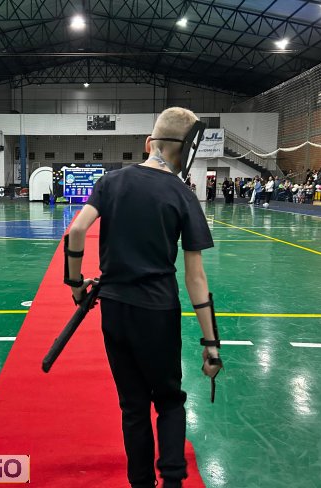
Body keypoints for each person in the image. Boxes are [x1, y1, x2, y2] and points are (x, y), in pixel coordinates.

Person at [65, 107, 222, 488]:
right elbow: (195, 277)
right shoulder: (183, 195)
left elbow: (77, 230)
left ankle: (140, 483)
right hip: (157, 311)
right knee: (168, 401)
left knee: (133, 407)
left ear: (149, 142)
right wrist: (211, 343)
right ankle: (172, 481)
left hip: (115, 310)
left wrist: (75, 284)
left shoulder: (111, 182)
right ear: (185, 150)